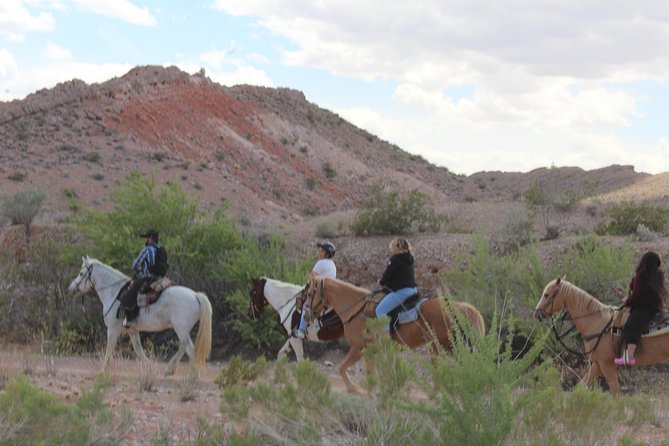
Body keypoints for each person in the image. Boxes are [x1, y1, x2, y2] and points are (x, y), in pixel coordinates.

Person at [615, 251, 667, 366]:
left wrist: (626, 301)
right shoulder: (657, 276)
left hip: (642, 307)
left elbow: (636, 294)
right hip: (653, 307)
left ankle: (629, 357)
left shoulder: (640, 276)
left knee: (631, 324)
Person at [292, 241, 337, 339]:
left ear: (327, 253)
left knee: (305, 305)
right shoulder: (333, 265)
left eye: (321, 251)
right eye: (319, 250)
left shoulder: (321, 263)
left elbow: (312, 279)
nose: (319, 253)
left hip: (320, 293)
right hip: (329, 294)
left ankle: (301, 330)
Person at [121, 229, 161, 328]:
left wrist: (135, 267)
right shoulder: (159, 249)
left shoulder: (148, 249)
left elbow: (136, 264)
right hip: (157, 277)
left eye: (147, 238)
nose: (146, 240)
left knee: (128, 296)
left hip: (147, 278)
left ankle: (131, 320)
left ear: (151, 239)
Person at [375, 237, 417, 320]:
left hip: (402, 292)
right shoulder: (410, 258)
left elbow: (388, 275)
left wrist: (381, 282)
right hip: (413, 290)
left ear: (396, 247)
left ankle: (386, 333)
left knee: (379, 310)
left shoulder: (395, 259)